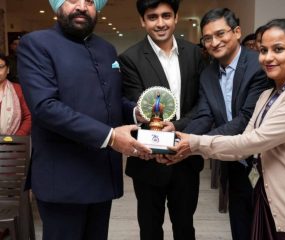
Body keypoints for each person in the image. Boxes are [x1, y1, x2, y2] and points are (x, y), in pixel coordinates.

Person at [162, 18, 285, 239]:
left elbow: (255, 141)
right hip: (271, 202)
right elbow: (244, 142)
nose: (268, 57)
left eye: (278, 49)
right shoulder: (268, 94)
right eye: (263, 50)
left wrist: (193, 143)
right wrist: (188, 140)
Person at [17, 0, 151, 239]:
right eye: (72, 0)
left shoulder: (107, 49)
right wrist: (110, 137)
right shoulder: (36, 44)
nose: (81, 6)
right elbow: (45, 107)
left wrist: (135, 113)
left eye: (89, 1)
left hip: (101, 174)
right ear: (58, 5)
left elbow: (111, 100)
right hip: (62, 179)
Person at [117, 0, 204, 239]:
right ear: (142, 21)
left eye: (166, 15)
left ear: (176, 17)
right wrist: (160, 144)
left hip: (186, 155)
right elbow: (139, 104)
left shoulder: (195, 54)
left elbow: (202, 102)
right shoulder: (130, 58)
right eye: (152, 17)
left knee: (185, 227)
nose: (160, 23)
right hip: (147, 158)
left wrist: (179, 126)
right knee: (150, 228)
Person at [183, 8, 270, 240]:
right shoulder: (208, 74)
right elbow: (204, 115)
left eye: (220, 34)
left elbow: (245, 119)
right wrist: (179, 140)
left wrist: (194, 144)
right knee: (240, 226)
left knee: (266, 229)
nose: (214, 42)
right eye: (208, 38)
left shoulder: (258, 65)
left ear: (237, 32)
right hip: (235, 163)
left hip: (267, 164)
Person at [0, 52, 31, 135]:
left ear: (8, 70)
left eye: (0, 67)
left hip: (13, 143)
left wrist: (18, 137)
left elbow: (28, 116)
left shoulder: (18, 89)